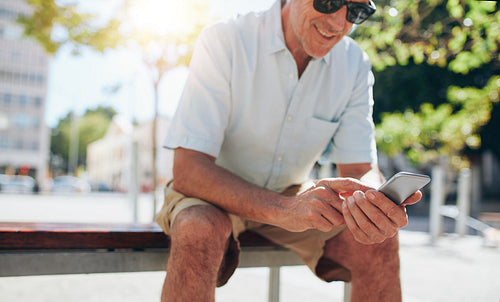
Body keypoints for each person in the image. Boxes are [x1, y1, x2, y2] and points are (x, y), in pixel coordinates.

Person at [156, 0, 422, 301]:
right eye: (330, 1)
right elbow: (189, 170)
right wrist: (282, 209)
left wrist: (374, 201)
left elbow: (360, 169)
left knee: (380, 239)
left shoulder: (354, 64)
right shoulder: (225, 39)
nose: (338, 22)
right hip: (210, 195)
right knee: (198, 229)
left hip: (291, 194)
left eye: (356, 11)